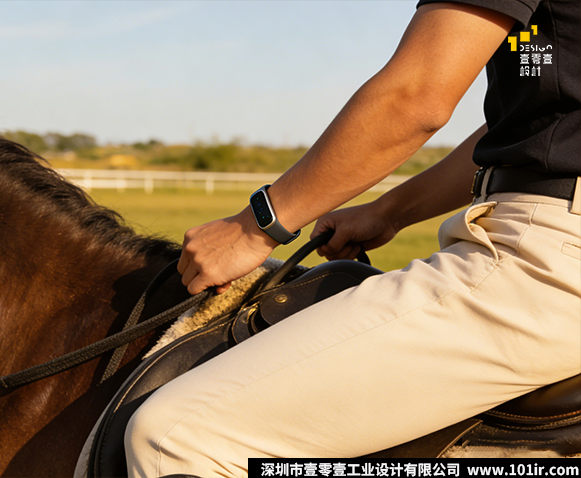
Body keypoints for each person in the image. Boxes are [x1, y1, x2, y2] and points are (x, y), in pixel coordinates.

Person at [125, 0, 581, 475]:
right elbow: (531, 129)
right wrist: (390, 212)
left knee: (176, 438)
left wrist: (255, 226)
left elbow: (415, 95)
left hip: (548, 256)